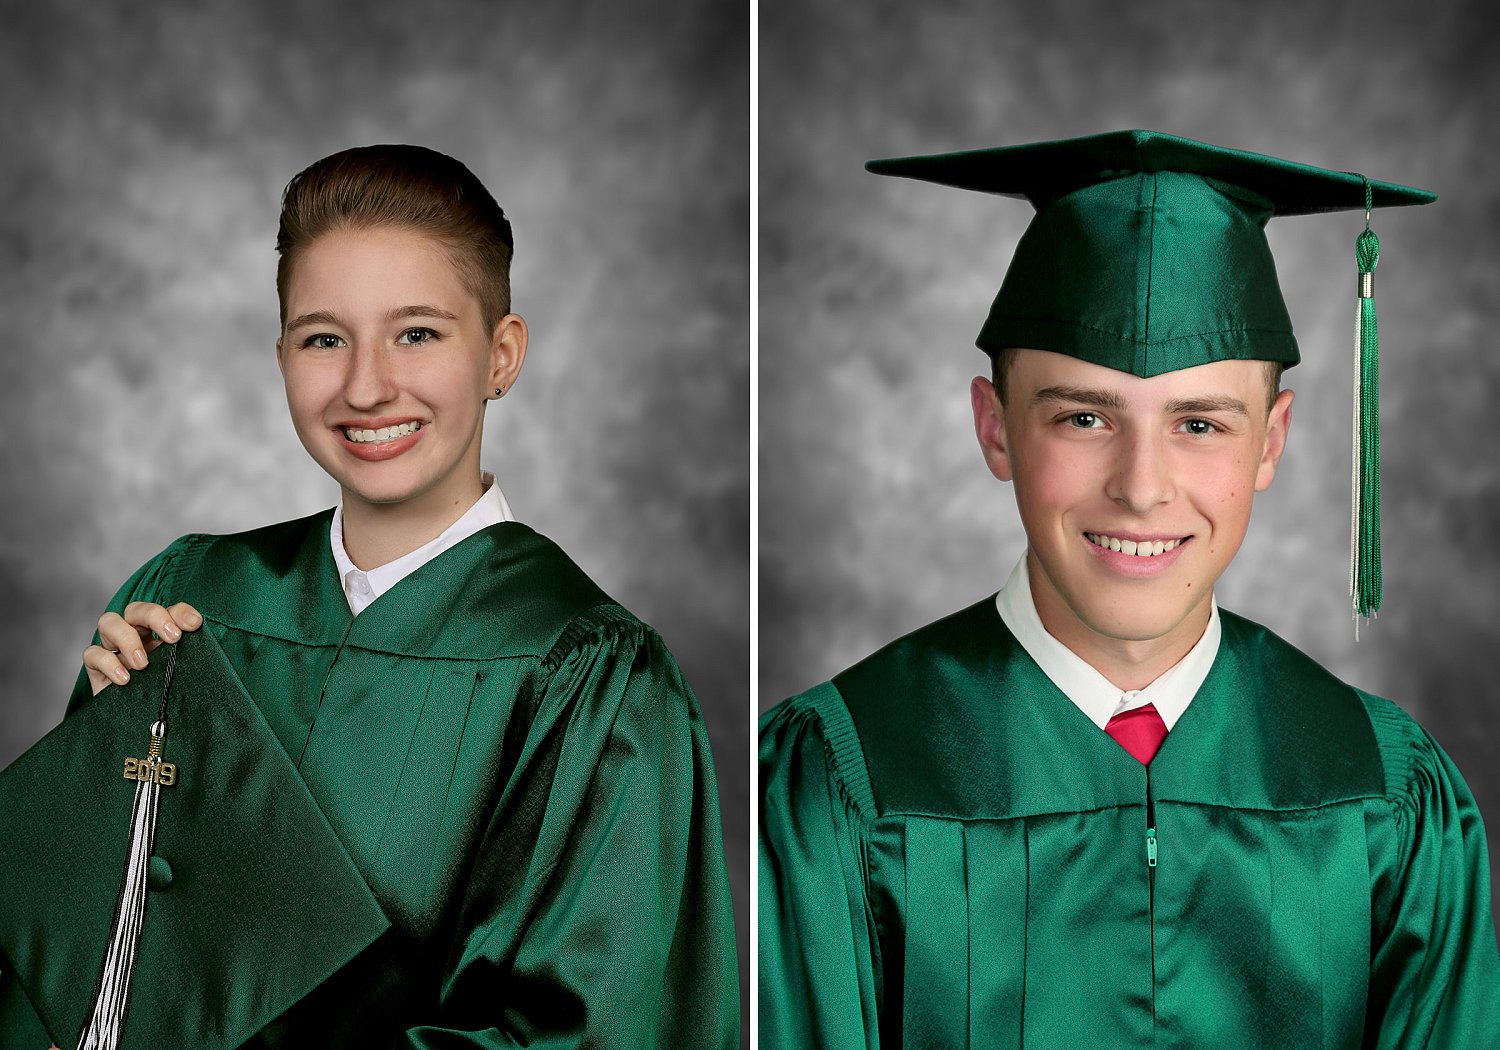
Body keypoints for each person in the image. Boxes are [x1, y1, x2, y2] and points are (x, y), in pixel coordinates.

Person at [759, 130, 1500, 1048]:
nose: (1142, 488)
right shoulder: (844, 780)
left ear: (1270, 442)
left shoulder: (1383, 793)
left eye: (1199, 424)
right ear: (995, 429)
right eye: (1083, 418)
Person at [0, 144, 739, 1047]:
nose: (366, 386)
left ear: (501, 355)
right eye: (324, 338)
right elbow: (62, 966)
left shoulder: (589, 678)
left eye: (417, 333)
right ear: (281, 357)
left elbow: (576, 1033)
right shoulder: (189, 601)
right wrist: (101, 774)